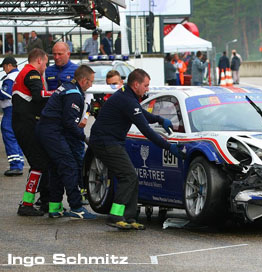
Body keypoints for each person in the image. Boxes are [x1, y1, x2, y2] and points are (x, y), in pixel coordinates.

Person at [89, 69, 185, 230]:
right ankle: (116, 215)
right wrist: (168, 147)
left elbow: (140, 114)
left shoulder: (128, 96)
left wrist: (159, 119)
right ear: (136, 84)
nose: (147, 89)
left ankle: (129, 217)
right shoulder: (127, 99)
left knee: (131, 177)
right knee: (128, 176)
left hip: (111, 140)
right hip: (105, 142)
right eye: (146, 85)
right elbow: (146, 129)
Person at [36, 65, 97, 219]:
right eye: (90, 82)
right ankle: (76, 207)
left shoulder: (66, 87)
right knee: (69, 165)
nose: (91, 85)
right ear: (83, 80)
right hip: (52, 133)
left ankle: (55, 207)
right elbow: (69, 124)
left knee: (57, 168)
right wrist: (85, 138)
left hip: (46, 130)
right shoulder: (74, 95)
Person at [11, 48, 51, 216]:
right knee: (39, 163)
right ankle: (26, 203)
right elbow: (39, 96)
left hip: (23, 123)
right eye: (46, 64)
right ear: (40, 61)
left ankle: (42, 199)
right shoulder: (32, 73)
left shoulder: (24, 73)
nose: (46, 68)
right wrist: (60, 94)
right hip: (26, 125)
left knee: (41, 161)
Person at [0, 56, 24, 176]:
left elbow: (5, 93)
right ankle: (19, 162)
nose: (4, 70)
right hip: (19, 110)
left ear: (9, 65)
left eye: (4, 67)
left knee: (9, 136)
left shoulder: (10, 77)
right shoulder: (19, 75)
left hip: (10, 110)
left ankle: (15, 165)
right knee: (17, 137)